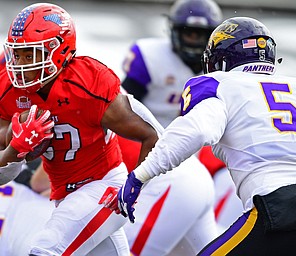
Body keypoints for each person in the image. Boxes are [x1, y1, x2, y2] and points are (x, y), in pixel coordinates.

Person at [113, 16, 296, 255]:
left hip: (275, 206)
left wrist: (140, 176)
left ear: (222, 57)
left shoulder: (220, 84)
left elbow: (196, 131)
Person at [0, 3, 158, 255]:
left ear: (59, 50)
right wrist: (14, 149)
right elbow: (2, 176)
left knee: (45, 250)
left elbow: (152, 135)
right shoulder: (9, 89)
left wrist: (135, 185)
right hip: (65, 194)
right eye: (17, 54)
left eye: (30, 55)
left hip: (103, 184)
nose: (20, 65)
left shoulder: (88, 83)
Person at [30, 92, 218, 256]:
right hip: (192, 174)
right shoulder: (97, 92)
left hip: (165, 184)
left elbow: (40, 184)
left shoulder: (69, 103)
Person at [122, 0, 222, 128]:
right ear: (174, 31)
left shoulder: (222, 64)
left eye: (200, 35)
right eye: (188, 33)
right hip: (148, 135)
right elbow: (124, 107)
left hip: (200, 140)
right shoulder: (150, 56)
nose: (193, 41)